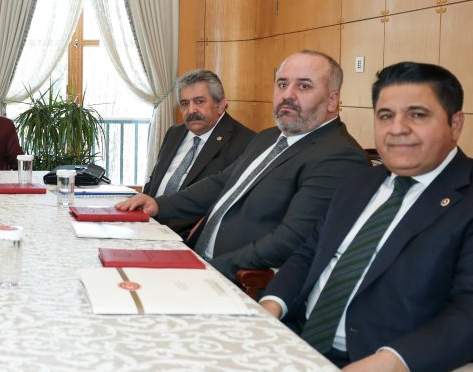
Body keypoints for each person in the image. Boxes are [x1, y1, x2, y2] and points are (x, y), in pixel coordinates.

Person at [260, 62, 473, 372]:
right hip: (302, 349)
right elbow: (310, 253)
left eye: (418, 115)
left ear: (455, 124)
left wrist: (390, 364)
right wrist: (270, 307)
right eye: (386, 116)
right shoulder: (360, 183)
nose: (397, 129)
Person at [117, 50, 368, 279]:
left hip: (239, 281)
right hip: (198, 259)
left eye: (303, 86)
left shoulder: (339, 156)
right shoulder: (268, 137)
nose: (288, 95)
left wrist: (209, 268)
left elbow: (289, 240)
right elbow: (220, 183)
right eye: (282, 84)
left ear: (333, 101)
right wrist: (158, 204)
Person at [142, 69, 255, 235]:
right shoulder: (174, 133)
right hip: (148, 225)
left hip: (188, 237)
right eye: (185, 103)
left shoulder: (245, 142)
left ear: (221, 104)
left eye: (199, 101)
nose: (191, 110)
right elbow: (154, 182)